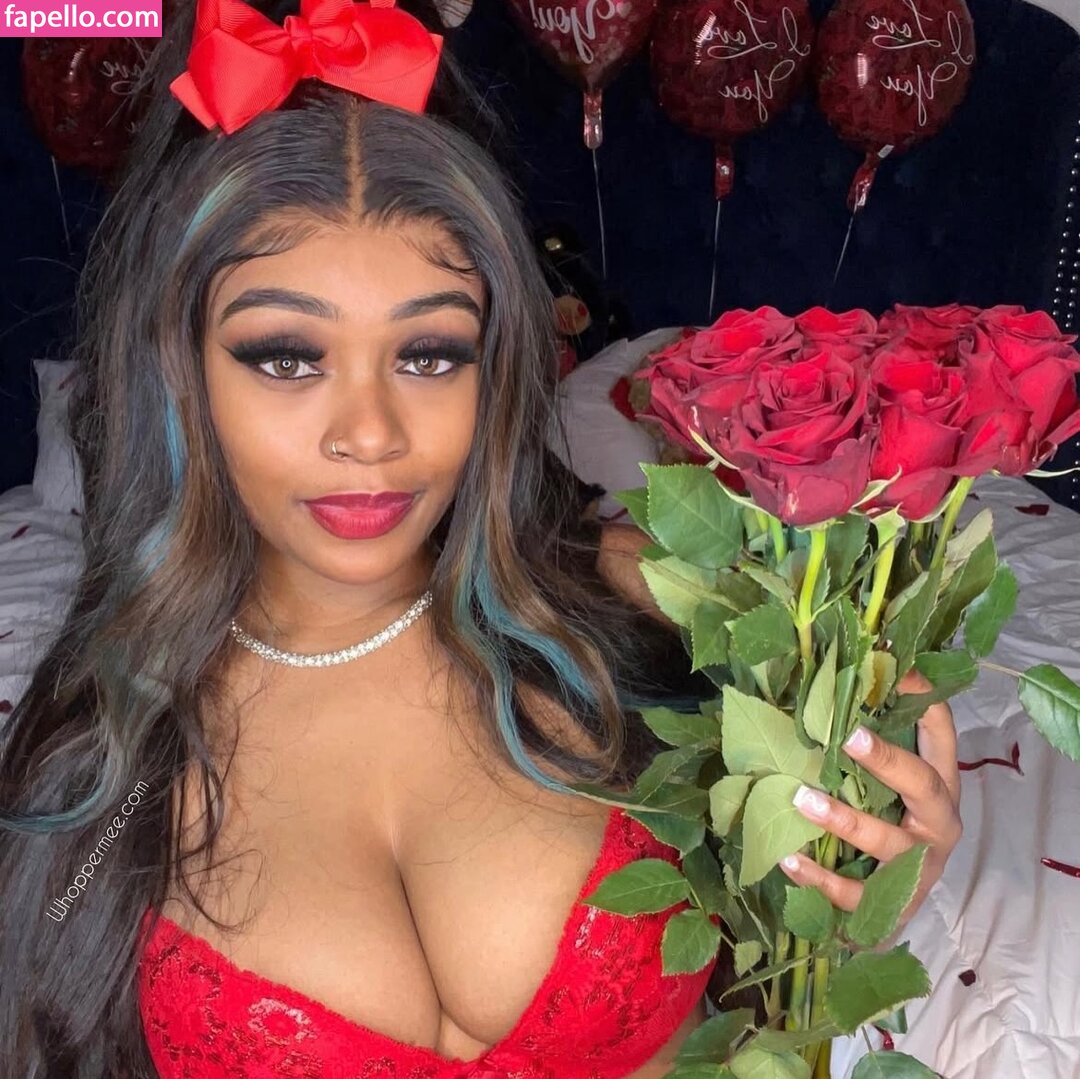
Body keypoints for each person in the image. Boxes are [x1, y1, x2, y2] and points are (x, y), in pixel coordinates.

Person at [0, 0, 963, 1074]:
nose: (371, 433)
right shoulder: (104, 758)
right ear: (178, 371)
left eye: (429, 355)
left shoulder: (652, 606)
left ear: (493, 366)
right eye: (286, 356)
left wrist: (863, 891)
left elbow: (774, 975)